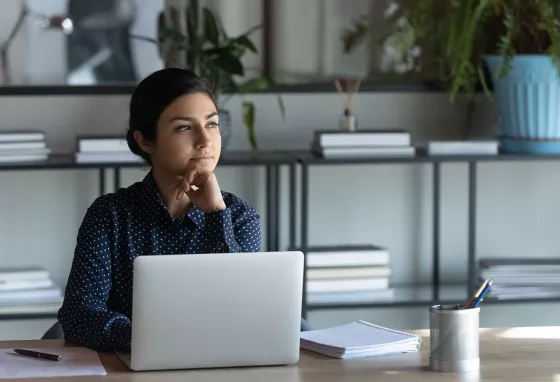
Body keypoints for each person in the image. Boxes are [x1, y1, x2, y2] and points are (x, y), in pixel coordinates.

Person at [57, 68, 263, 352]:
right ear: (144, 140)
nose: (205, 140)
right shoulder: (110, 215)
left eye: (212, 124)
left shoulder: (239, 217)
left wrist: (217, 214)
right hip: (130, 367)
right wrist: (147, 338)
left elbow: (246, 311)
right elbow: (78, 315)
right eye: (184, 127)